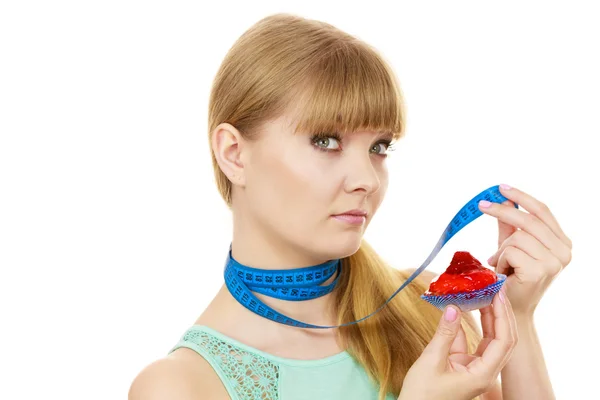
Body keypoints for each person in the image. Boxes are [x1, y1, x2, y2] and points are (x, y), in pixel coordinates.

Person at [128, 13, 572, 400]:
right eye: (326, 141)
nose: (366, 180)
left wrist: (517, 318)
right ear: (233, 154)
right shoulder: (180, 386)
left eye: (379, 146)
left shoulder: (429, 311)